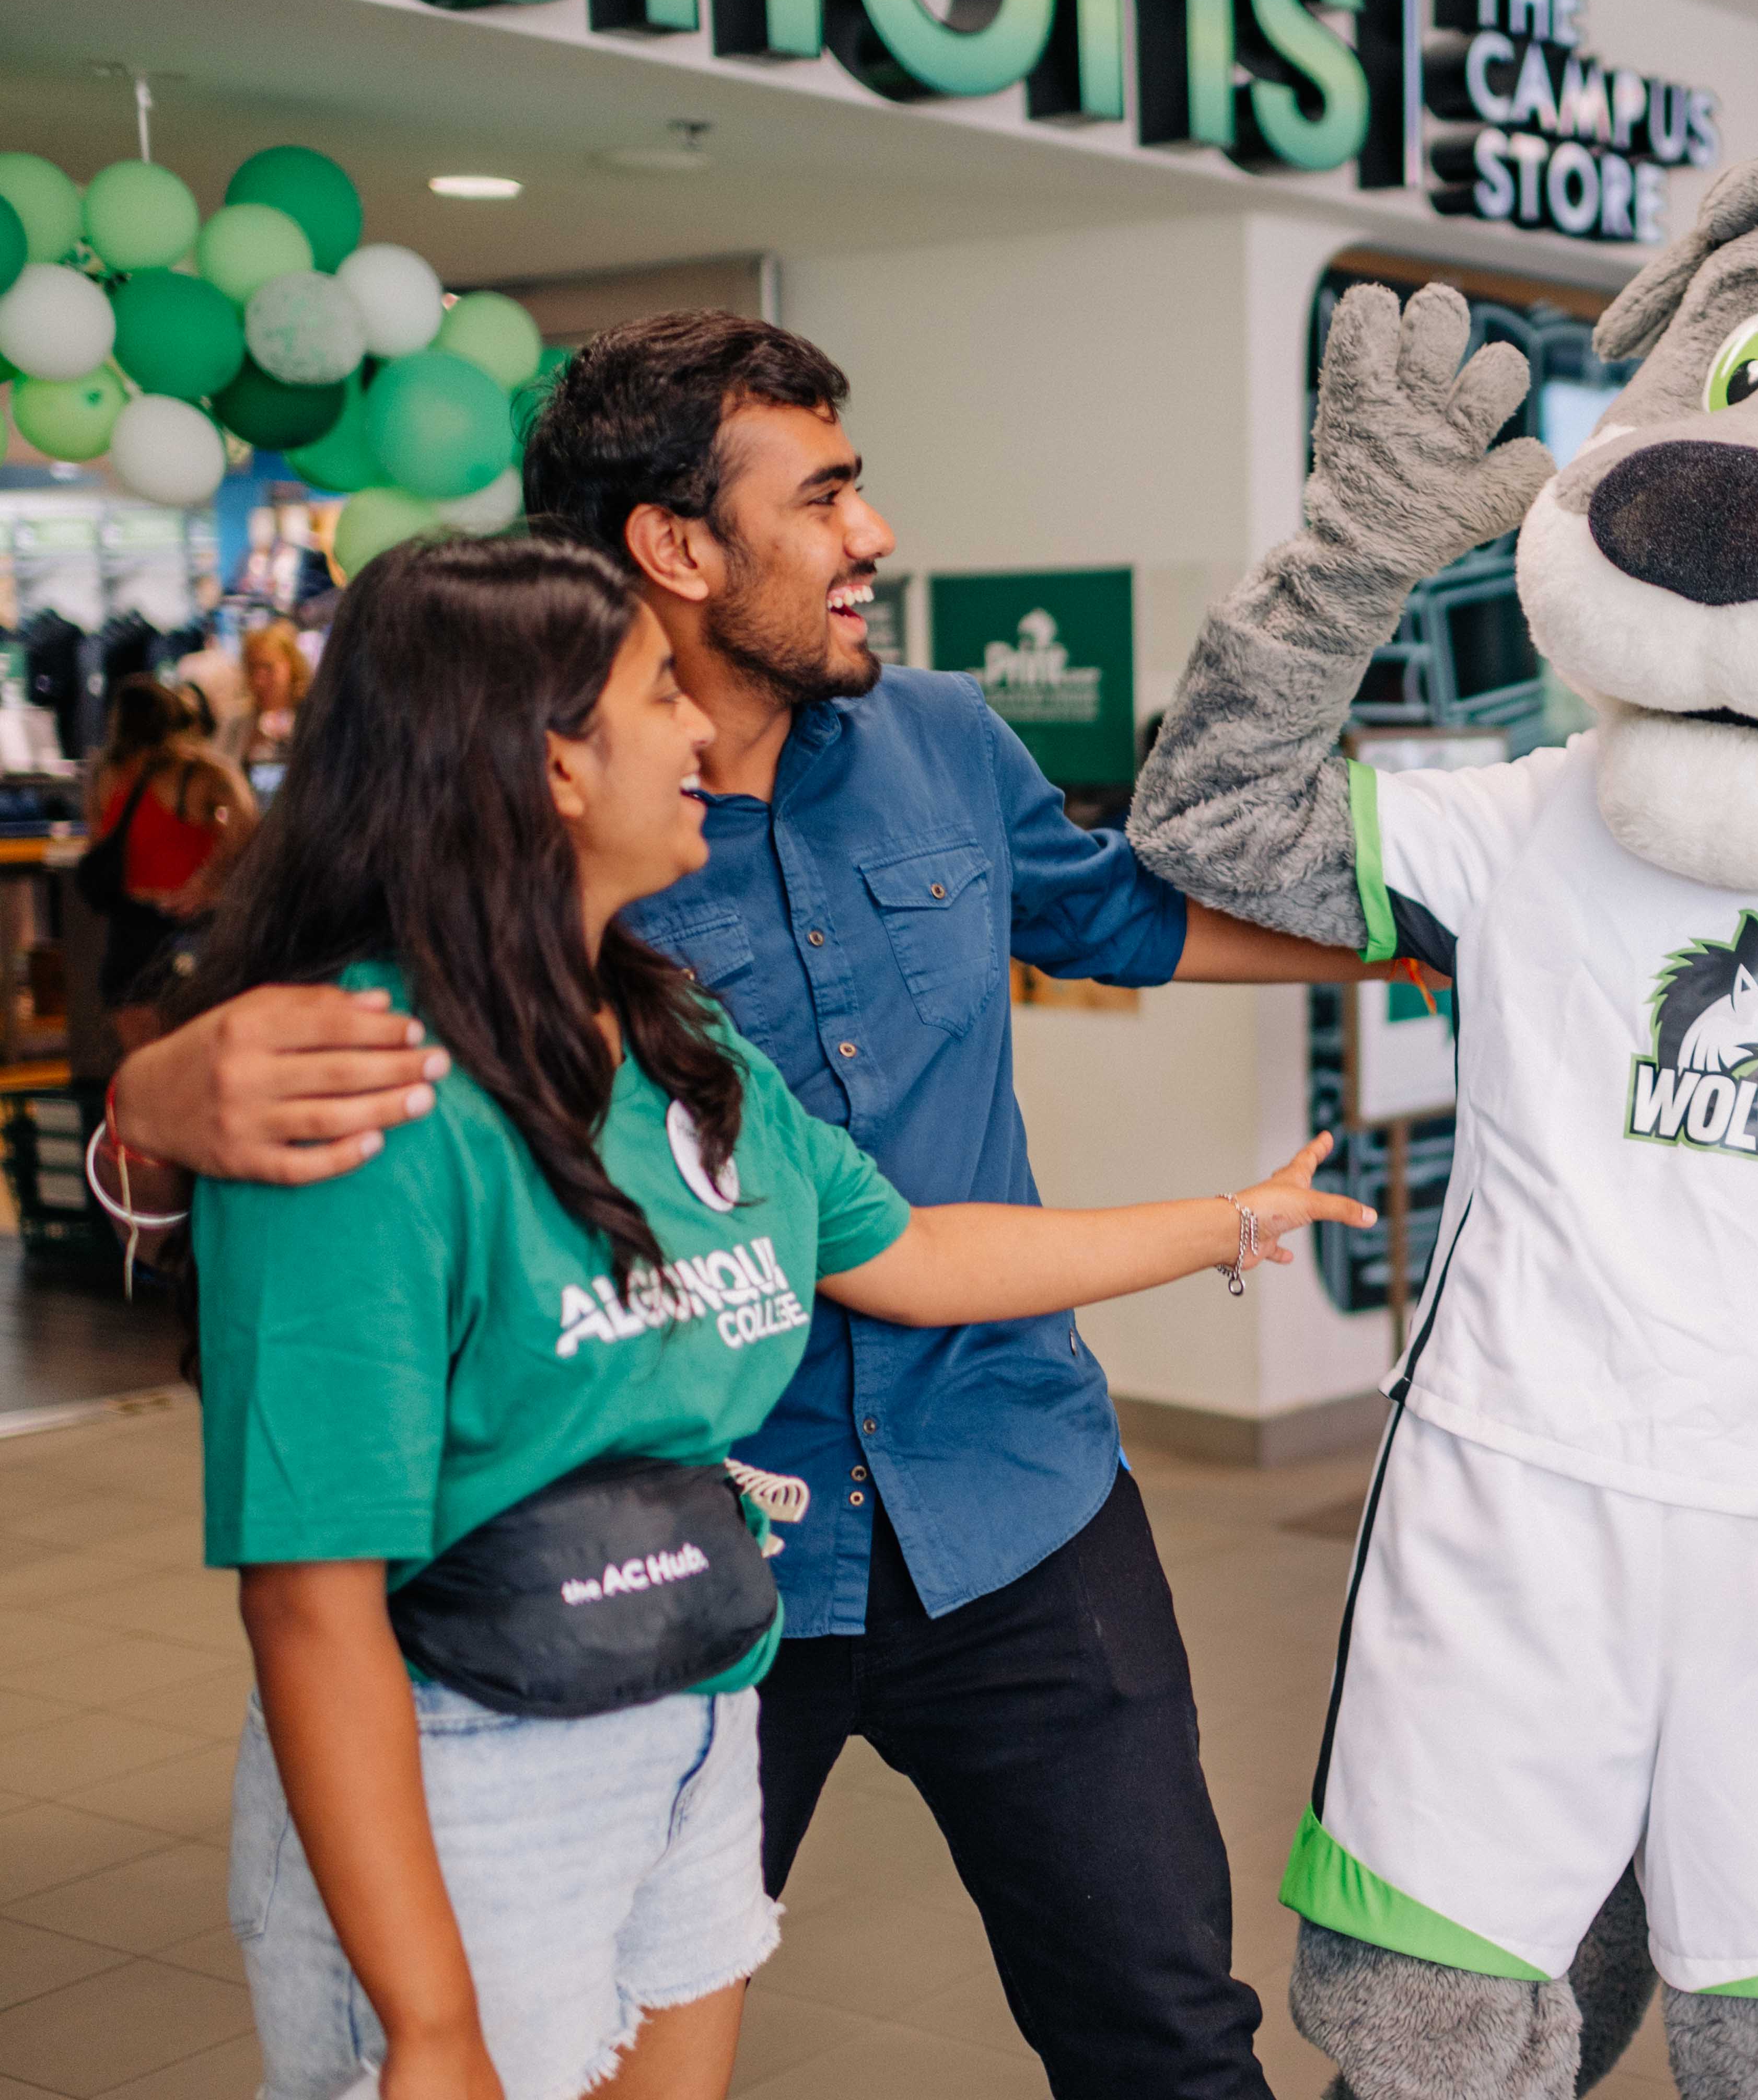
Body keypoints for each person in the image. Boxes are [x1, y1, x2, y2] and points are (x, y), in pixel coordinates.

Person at [111, 311, 1375, 2096]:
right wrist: (141, 1100)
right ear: (677, 548)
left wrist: (1444, 938)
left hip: (1011, 1490)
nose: (874, 538)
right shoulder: (492, 885)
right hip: (673, 1566)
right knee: (596, 2036)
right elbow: (297, 1113)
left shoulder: (922, 755)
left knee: (1165, 2029)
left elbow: (1094, 956)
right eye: (831, 495)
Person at [86, 671, 255, 1043]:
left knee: (141, 1058)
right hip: (189, 922)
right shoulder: (201, 774)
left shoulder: (105, 775)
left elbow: (97, 840)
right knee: (194, 1051)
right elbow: (248, 826)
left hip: (128, 927)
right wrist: (211, 881)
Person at [236, 617, 313, 785]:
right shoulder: (237, 724)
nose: (259, 680)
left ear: (291, 666)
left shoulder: (313, 720)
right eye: (252, 668)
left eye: (268, 668)